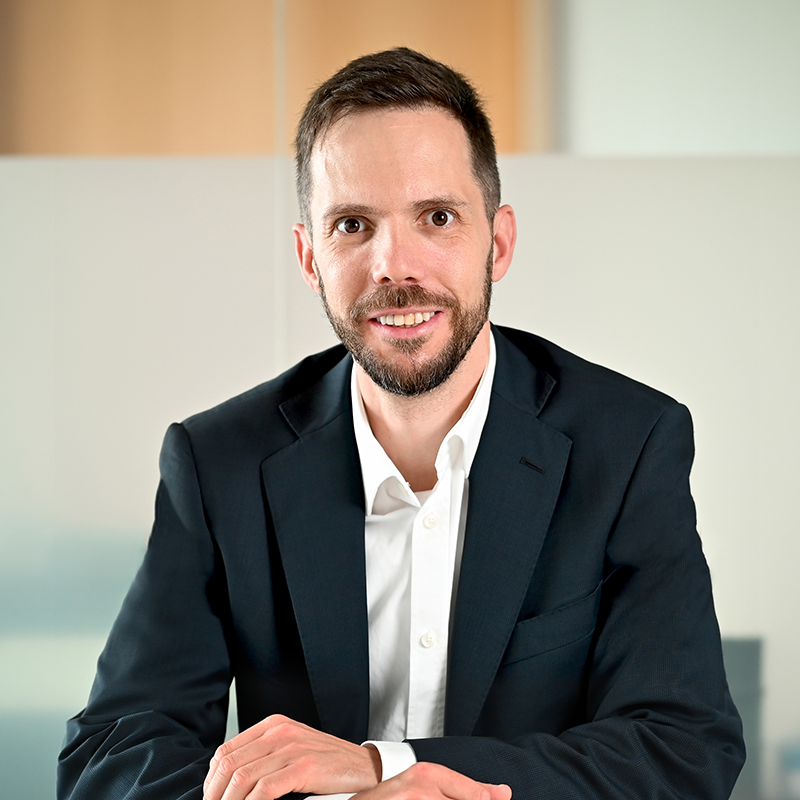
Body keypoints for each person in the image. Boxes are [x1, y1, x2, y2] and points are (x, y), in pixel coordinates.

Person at [58, 47, 745, 800]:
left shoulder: (629, 443)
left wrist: (385, 765)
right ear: (310, 259)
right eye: (353, 224)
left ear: (498, 243)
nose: (394, 266)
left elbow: (681, 750)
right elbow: (110, 755)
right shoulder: (218, 462)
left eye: (437, 218)